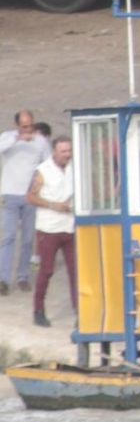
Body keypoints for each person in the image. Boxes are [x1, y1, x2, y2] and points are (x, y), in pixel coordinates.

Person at [25, 136, 74, 326]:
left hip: (69, 226)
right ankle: (38, 310)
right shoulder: (43, 170)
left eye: (69, 151)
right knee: (46, 270)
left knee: (75, 271)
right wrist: (53, 205)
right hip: (48, 228)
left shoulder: (74, 168)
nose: (67, 155)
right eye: (63, 151)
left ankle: (79, 310)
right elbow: (30, 196)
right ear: (54, 151)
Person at [0, 109, 50, 295]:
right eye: (23, 126)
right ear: (17, 125)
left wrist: (40, 185)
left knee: (28, 239)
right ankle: (3, 279)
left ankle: (22, 276)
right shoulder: (8, 137)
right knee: (8, 237)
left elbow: (48, 164)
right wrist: (17, 138)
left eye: (30, 126)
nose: (27, 130)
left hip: (30, 196)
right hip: (10, 193)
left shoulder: (40, 141)